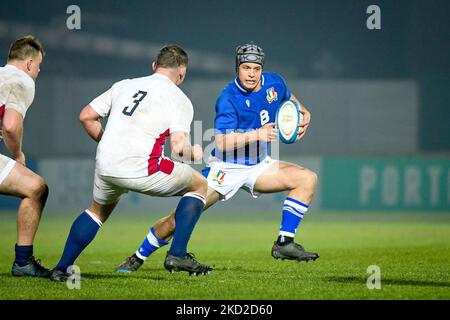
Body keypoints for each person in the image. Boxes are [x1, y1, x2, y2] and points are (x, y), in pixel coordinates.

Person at [116, 43, 319, 273]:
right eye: (246, 68)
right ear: (237, 68)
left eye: (256, 68)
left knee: (307, 179)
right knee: (181, 218)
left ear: (262, 69)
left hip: (259, 165)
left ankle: (284, 243)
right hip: (226, 168)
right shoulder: (228, 98)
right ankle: (138, 257)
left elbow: (289, 100)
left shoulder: (275, 83)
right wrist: (257, 134)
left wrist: (304, 113)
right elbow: (221, 141)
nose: (251, 73)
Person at [49, 45, 212, 281]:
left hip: (106, 164)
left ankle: (61, 268)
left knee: (96, 213)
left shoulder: (124, 85)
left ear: (154, 66)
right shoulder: (179, 98)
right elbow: (178, 148)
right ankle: (177, 253)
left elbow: (86, 116)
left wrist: (110, 143)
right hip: (143, 168)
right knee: (199, 185)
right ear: (182, 72)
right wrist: (194, 153)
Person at [0, 35, 50, 278]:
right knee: (36, 187)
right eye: (39, 66)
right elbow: (10, 125)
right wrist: (17, 155)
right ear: (29, 63)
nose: (38, 71)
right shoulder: (21, 79)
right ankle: (23, 262)